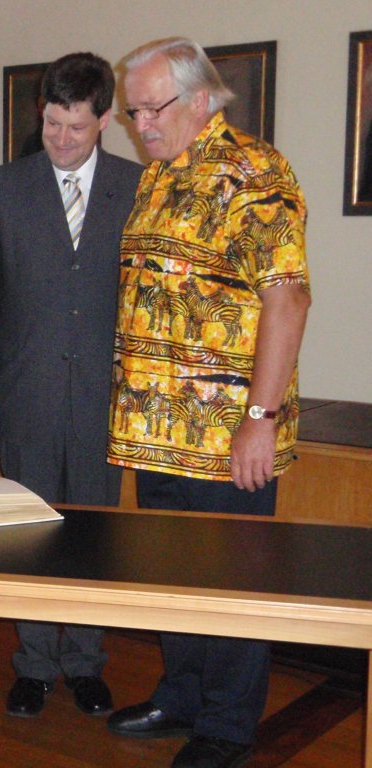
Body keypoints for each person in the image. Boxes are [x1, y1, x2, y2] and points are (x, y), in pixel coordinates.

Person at [105, 38, 310, 768]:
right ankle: (182, 696)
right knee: (173, 576)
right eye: (132, 111)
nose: (139, 124)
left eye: (149, 108)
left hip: (227, 436)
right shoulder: (157, 177)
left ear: (199, 99)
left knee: (233, 583)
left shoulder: (255, 172)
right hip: (157, 433)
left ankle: (225, 728)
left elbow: (287, 299)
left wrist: (260, 420)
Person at [0, 52, 142, 719]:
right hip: (24, 394)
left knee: (95, 533)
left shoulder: (136, 186)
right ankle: (34, 663)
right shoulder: (3, 189)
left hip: (105, 397)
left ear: (104, 122)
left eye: (77, 127)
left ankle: (85, 662)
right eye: (52, 123)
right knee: (31, 532)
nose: (61, 139)